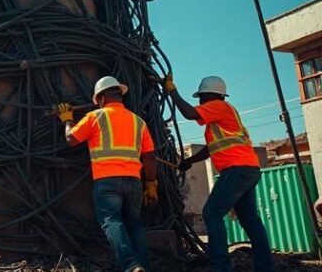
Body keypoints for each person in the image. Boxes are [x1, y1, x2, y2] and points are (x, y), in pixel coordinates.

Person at [164, 74, 272, 272]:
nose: (200, 102)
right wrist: (189, 161)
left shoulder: (219, 106)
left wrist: (172, 91)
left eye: (201, 98)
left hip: (236, 170)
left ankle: (220, 266)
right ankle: (265, 266)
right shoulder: (222, 115)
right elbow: (210, 148)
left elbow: (189, 113)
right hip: (249, 169)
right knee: (250, 219)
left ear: (210, 95)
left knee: (211, 213)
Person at [56, 76, 158, 272]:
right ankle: (143, 266)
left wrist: (67, 120)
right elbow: (150, 157)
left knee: (111, 222)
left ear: (101, 98)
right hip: (134, 182)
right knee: (135, 225)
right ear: (120, 95)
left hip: (107, 181)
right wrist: (151, 184)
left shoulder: (96, 117)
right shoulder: (139, 122)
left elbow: (71, 139)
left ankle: (131, 266)